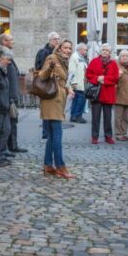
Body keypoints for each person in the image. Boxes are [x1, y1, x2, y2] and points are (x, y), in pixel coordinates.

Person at [39, 39, 76, 179]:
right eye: (65, 48)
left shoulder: (63, 61)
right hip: (52, 101)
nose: (68, 50)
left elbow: (62, 81)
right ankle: (60, 167)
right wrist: (49, 68)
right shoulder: (52, 58)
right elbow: (43, 75)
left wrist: (69, 88)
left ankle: (48, 165)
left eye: (69, 48)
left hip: (57, 100)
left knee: (52, 136)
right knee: (57, 136)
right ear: (59, 49)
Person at [0, 33, 28, 153]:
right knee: (7, 124)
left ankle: (12, 146)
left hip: (11, 95)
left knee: (12, 122)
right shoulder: (1, 55)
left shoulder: (9, 55)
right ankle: (4, 148)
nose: (13, 41)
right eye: (11, 40)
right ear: (4, 41)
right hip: (7, 96)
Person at [85, 44, 120, 145]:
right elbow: (88, 74)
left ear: (110, 53)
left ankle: (108, 136)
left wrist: (105, 79)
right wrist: (97, 78)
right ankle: (94, 137)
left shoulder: (113, 63)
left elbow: (116, 78)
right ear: (100, 51)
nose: (105, 51)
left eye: (107, 50)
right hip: (97, 94)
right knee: (95, 117)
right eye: (103, 50)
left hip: (108, 93)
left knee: (108, 117)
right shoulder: (94, 61)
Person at [36, 32, 61, 140]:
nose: (57, 41)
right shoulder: (43, 52)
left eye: (58, 39)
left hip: (54, 85)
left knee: (52, 110)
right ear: (49, 40)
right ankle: (45, 133)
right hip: (45, 85)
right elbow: (40, 68)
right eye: (55, 39)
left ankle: (50, 132)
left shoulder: (56, 53)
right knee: (46, 109)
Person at [113, 49, 128, 141]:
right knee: (118, 117)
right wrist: (118, 76)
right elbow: (113, 81)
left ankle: (124, 133)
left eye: (126, 56)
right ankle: (118, 133)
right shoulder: (116, 67)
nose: (124, 57)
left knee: (126, 117)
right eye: (122, 56)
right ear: (119, 57)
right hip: (119, 96)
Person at [68, 43, 89, 123]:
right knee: (80, 100)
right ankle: (78, 116)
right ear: (80, 49)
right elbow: (71, 71)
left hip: (81, 83)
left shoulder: (81, 57)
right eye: (85, 50)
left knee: (77, 100)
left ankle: (73, 116)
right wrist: (73, 84)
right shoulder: (74, 57)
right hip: (77, 83)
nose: (86, 51)